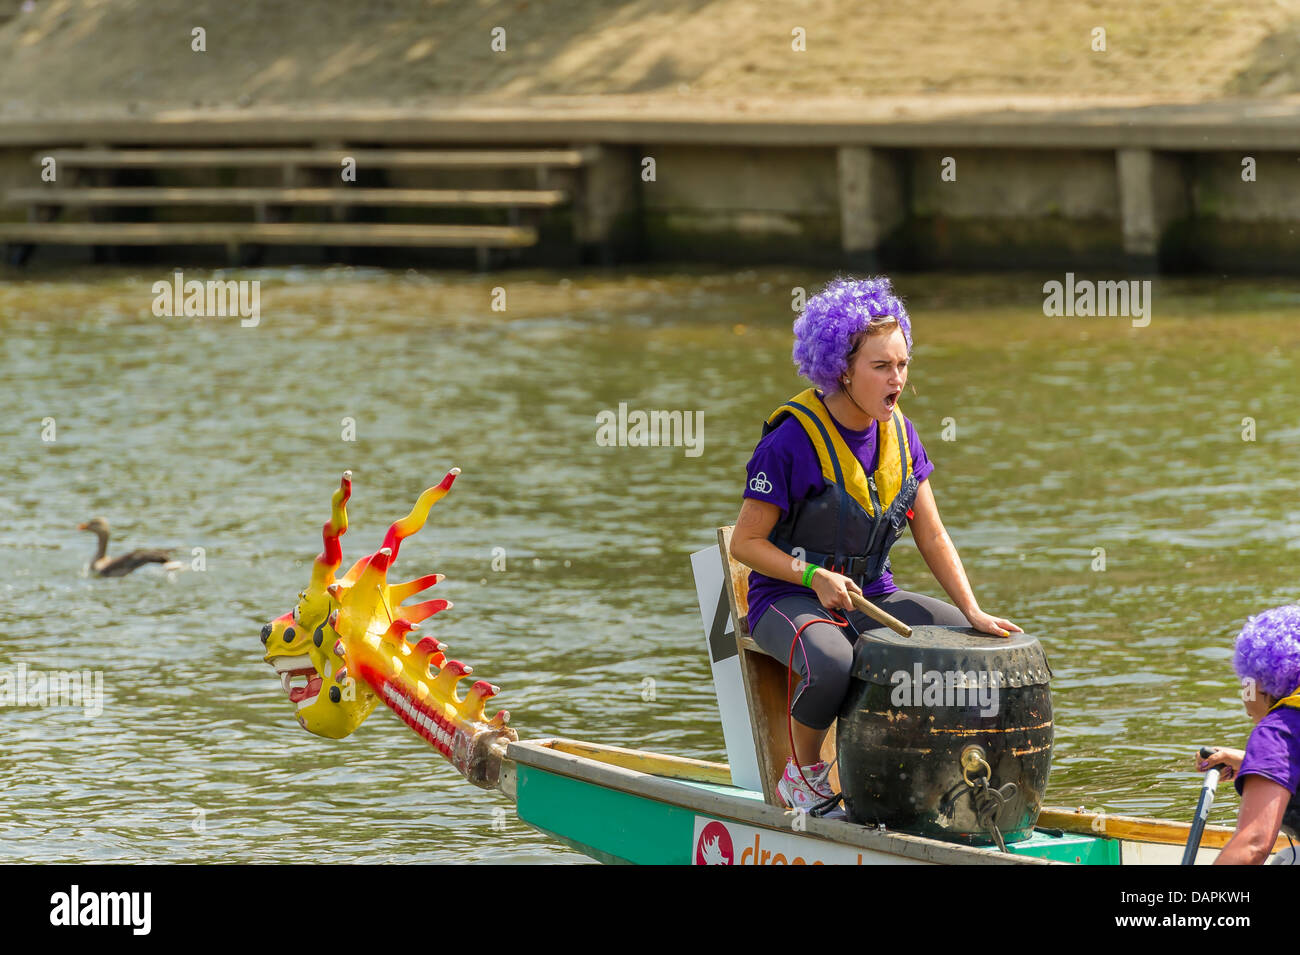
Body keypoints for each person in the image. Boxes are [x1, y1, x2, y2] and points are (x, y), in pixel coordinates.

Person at [729, 276, 1021, 814]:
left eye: (903, 364)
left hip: (871, 594)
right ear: (842, 367)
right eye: (882, 366)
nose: (898, 379)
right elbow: (746, 544)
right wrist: (814, 578)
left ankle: (929, 773)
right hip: (786, 599)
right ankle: (804, 776)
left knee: (968, 648)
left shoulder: (903, 435)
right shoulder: (789, 440)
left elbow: (932, 534)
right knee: (834, 663)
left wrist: (972, 611)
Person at [1198, 604, 1300, 864]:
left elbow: (1253, 845)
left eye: (1244, 680)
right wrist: (1250, 763)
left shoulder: (1276, 731)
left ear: (1261, 680)